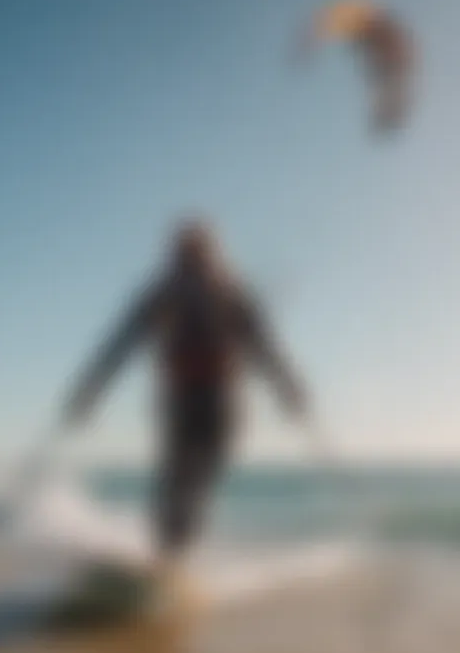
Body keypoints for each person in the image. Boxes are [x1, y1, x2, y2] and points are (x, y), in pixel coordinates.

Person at [60, 217, 308, 590]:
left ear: (212, 254)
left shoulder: (232, 293)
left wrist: (289, 389)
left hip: (221, 401)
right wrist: (89, 389)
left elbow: (264, 346)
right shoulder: (161, 294)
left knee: (197, 482)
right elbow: (120, 343)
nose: (189, 263)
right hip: (179, 400)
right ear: (174, 256)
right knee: (176, 481)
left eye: (196, 253)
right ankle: (165, 563)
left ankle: (173, 562)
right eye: (183, 254)